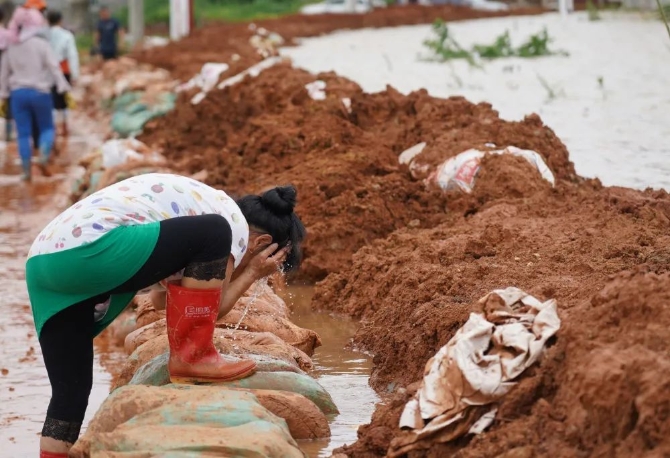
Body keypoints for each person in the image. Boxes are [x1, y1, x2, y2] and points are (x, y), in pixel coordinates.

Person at [26, 173, 306, 457]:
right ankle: (193, 357)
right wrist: (253, 272)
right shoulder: (230, 224)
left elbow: (166, 301)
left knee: (70, 393)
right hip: (89, 248)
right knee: (215, 230)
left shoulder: (188, 223)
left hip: (44, 262)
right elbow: (212, 309)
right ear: (261, 243)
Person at [0, 11, 70, 181]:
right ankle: (43, 157)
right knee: (47, 128)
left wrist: (3, 95)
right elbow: (54, 67)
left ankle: (26, 171)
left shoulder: (11, 46)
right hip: (41, 93)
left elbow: (4, 73)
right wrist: (63, 87)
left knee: (23, 134)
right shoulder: (41, 44)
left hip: (18, 94)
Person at [47, 10, 78, 137]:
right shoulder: (67, 35)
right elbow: (72, 56)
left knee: (51, 100)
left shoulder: (44, 36)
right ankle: (64, 126)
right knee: (63, 100)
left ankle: (53, 127)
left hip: (47, 71)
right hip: (63, 70)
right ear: (60, 20)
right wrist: (75, 74)